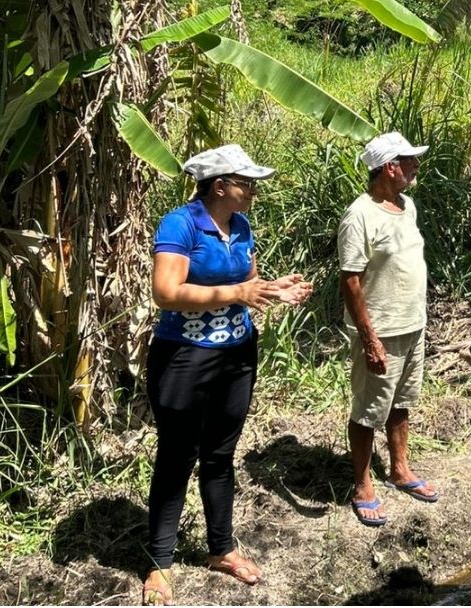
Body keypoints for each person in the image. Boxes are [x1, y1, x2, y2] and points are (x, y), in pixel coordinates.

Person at [144, 144, 313, 605]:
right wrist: (237, 290)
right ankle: (160, 562)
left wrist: (275, 290)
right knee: (177, 456)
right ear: (220, 186)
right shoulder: (181, 224)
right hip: (184, 357)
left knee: (220, 454)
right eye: (246, 182)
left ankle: (221, 548)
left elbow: (248, 287)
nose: (253, 189)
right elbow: (166, 292)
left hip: (237, 354)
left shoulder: (240, 225)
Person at [337, 131, 438, 529]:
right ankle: (362, 485)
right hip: (381, 331)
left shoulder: (407, 206)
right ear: (389, 167)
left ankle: (400, 469)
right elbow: (350, 280)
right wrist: (369, 338)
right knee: (368, 410)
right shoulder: (359, 215)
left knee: (402, 401)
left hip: (413, 325)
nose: (415, 166)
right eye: (408, 160)